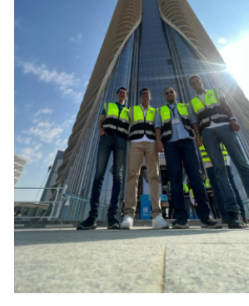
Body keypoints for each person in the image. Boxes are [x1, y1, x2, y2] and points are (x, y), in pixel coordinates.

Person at [189, 74, 249, 229]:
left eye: (197, 80)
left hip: (225, 127)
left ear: (201, 81)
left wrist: (233, 119)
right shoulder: (192, 102)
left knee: (243, 165)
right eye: (192, 83)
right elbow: (196, 120)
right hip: (207, 133)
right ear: (192, 86)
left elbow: (226, 105)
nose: (195, 83)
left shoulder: (216, 92)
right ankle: (233, 213)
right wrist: (197, 134)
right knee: (219, 172)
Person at [160, 86, 216, 229]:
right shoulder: (160, 110)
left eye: (171, 92)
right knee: (175, 179)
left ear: (175, 94)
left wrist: (197, 135)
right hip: (170, 144)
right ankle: (181, 218)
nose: (169, 94)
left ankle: (205, 216)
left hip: (187, 141)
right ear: (164, 97)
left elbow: (193, 121)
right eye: (166, 93)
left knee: (195, 176)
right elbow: (157, 127)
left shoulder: (185, 106)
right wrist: (159, 141)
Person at [78, 88, 130, 230]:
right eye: (120, 92)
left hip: (121, 141)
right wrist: (101, 131)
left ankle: (112, 217)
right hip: (106, 138)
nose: (122, 94)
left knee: (118, 175)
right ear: (116, 94)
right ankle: (92, 217)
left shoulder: (129, 111)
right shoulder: (108, 106)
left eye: (124, 92)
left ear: (126, 96)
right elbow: (100, 120)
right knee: (99, 173)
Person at [121, 88, 166, 229]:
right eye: (143, 94)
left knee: (154, 176)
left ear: (150, 96)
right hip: (135, 143)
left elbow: (159, 127)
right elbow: (124, 124)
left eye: (147, 93)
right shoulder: (132, 110)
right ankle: (128, 215)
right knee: (132, 175)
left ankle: (157, 215)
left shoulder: (155, 111)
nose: (145, 95)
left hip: (152, 143)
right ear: (140, 97)